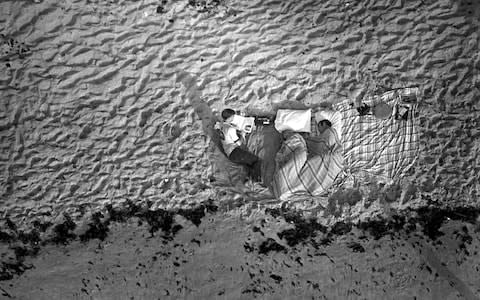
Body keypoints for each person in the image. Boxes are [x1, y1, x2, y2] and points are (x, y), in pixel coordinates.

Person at [219, 108, 261, 181]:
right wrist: (242, 134)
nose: (234, 118)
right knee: (256, 160)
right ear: (229, 118)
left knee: (249, 161)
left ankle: (249, 176)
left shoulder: (221, 125)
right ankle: (257, 179)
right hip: (234, 152)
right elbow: (239, 143)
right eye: (232, 117)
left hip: (228, 150)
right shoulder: (230, 129)